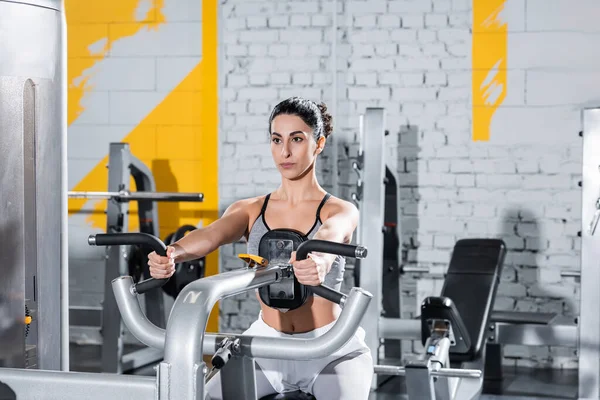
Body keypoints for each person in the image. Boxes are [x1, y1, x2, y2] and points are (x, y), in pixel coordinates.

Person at [148, 97, 373, 399]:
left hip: (330, 348)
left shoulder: (340, 209)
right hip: (267, 345)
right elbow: (212, 235)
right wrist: (174, 252)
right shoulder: (250, 209)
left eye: (297, 139)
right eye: (276, 139)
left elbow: (331, 236)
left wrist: (319, 260)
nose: (285, 152)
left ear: (318, 144)